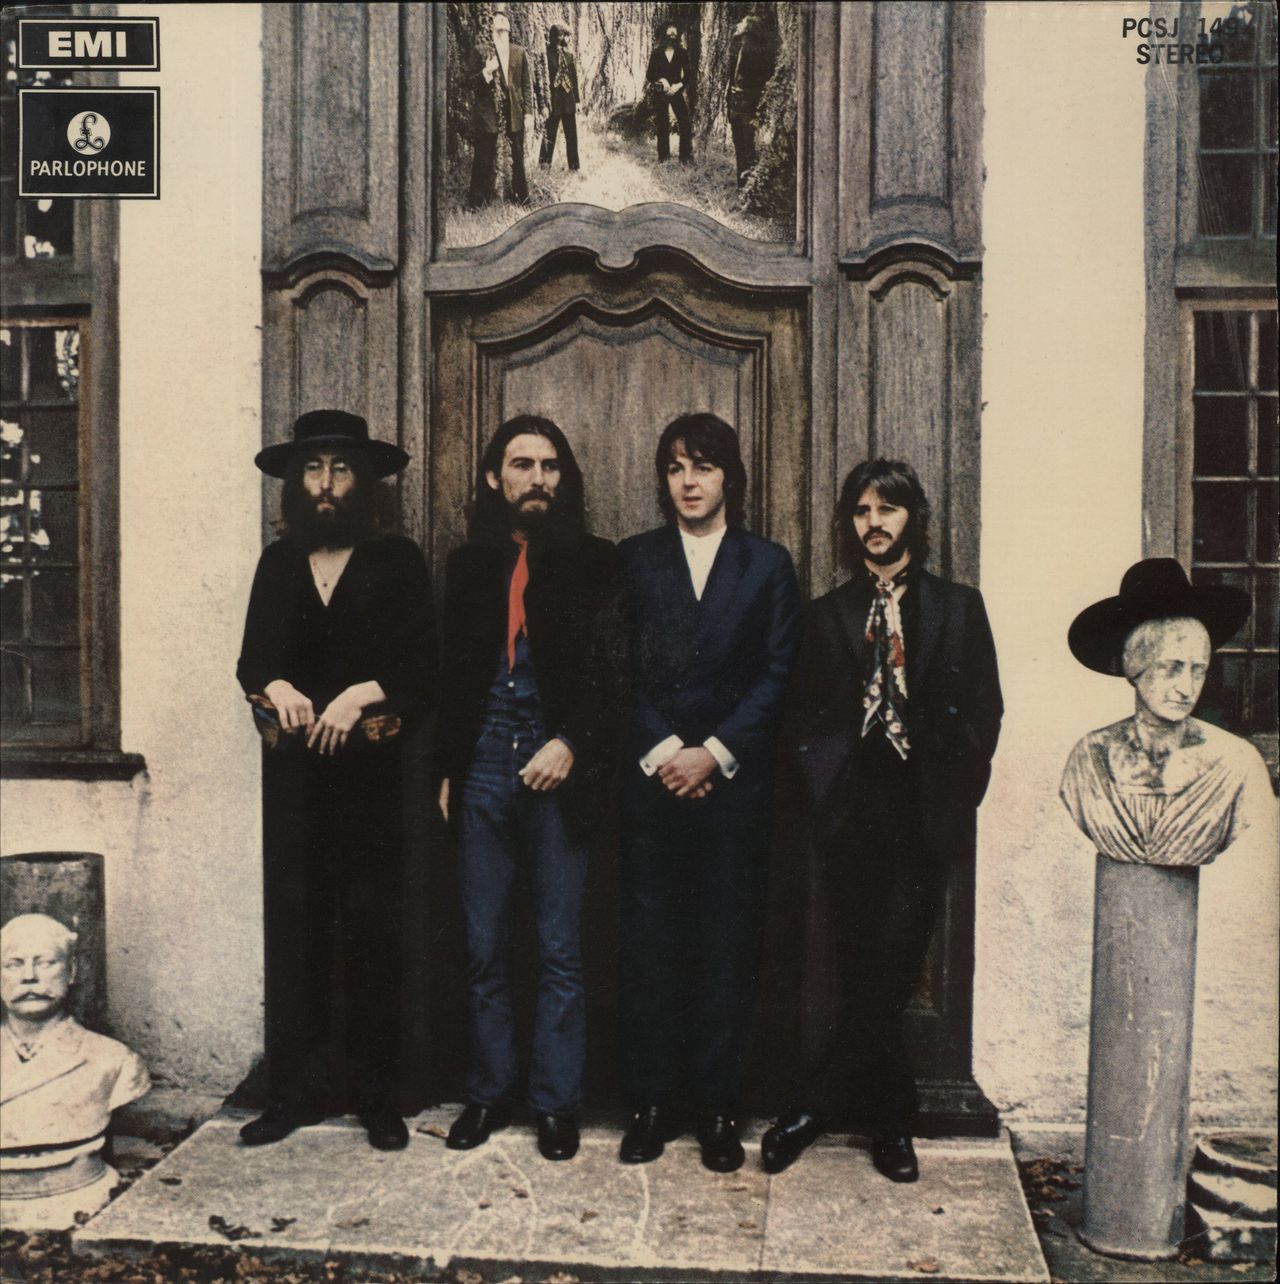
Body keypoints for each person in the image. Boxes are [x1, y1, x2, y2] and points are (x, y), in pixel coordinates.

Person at [762, 459, 1002, 1183]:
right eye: (862, 511)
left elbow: (986, 709)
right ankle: (887, 1121)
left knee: (889, 968)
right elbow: (799, 717)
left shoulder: (958, 608)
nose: (874, 523)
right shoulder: (827, 614)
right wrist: (826, 790)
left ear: (912, 519)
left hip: (922, 815)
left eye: (887, 509)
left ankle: (825, 1105)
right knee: (862, 964)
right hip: (850, 816)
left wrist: (954, 790)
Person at [236, 409, 436, 1151]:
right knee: (299, 935)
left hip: (374, 782)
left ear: (365, 481)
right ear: (295, 482)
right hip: (294, 782)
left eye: (341, 468)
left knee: (375, 933)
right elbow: (252, 662)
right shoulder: (279, 563)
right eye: (313, 469)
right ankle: (295, 1094)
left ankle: (380, 1099)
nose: (325, 483)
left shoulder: (397, 560)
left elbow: (423, 667)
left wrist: (359, 695)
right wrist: (278, 684)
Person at [616, 413, 800, 1173]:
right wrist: (666, 752)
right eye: (675, 468)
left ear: (730, 478)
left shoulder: (768, 564)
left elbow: (779, 672)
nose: (688, 482)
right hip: (653, 788)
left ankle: (719, 1110)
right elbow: (616, 667)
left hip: (731, 791)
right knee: (651, 948)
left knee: (727, 949)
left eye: (703, 467)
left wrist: (713, 755)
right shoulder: (634, 560)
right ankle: (652, 1106)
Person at [435, 415, 619, 1162]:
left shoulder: (596, 563)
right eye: (521, 464)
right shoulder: (468, 565)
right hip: (483, 761)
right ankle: (488, 1093)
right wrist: (449, 768)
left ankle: (555, 1103)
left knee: (559, 946)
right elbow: (453, 674)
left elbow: (613, 675)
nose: (537, 478)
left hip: (558, 764)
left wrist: (571, 743)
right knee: (482, 944)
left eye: (549, 465)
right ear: (494, 477)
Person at [1061, 558, 1272, 865]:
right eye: (1171, 668)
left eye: (1198, 670)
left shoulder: (1236, 763)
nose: (1186, 688)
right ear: (1135, 668)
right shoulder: (1090, 756)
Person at [1, 914, 149, 1228]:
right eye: (13, 964)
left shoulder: (113, 1059)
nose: (29, 977)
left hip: (78, 1191)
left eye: (45, 963)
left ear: (71, 971)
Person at [466, 9, 533, 208]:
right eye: (497, 19)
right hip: (488, 112)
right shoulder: (481, 51)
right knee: (483, 156)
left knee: (518, 156)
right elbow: (466, 82)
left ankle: (522, 198)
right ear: (491, 26)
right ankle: (476, 203)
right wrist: (486, 72)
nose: (502, 21)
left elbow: (526, 85)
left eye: (505, 19)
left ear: (510, 27)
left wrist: (529, 112)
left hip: (514, 111)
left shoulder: (519, 52)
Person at [725, 14, 774, 188]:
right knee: (739, 145)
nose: (738, 24)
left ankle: (750, 188)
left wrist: (754, 102)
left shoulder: (758, 50)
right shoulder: (737, 46)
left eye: (743, 22)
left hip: (748, 105)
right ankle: (742, 185)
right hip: (734, 103)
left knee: (747, 147)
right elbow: (732, 77)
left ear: (749, 28)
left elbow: (764, 79)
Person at [646, 22, 694, 164]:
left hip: (676, 92)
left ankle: (685, 157)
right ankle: (663, 158)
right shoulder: (656, 53)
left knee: (685, 122)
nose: (672, 35)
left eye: (675, 33)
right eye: (669, 33)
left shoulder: (682, 52)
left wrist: (678, 85)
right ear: (664, 34)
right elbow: (650, 75)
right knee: (662, 124)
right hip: (661, 93)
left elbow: (688, 75)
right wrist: (661, 80)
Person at [539, 24, 579, 172]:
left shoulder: (569, 56)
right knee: (549, 133)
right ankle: (544, 165)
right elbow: (543, 81)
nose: (559, 39)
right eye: (556, 36)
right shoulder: (545, 56)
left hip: (568, 101)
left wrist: (578, 100)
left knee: (571, 135)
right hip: (554, 102)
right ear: (551, 38)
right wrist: (544, 103)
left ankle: (574, 166)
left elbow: (574, 80)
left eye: (561, 36)